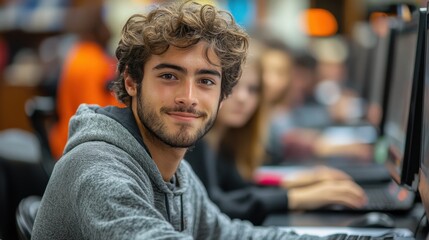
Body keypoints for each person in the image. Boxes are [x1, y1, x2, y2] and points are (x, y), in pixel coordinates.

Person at [32, 1, 326, 239]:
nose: (189, 97)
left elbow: (229, 233)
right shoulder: (98, 169)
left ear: (223, 93)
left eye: (206, 81)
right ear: (132, 82)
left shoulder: (177, 171)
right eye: (169, 76)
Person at [185, 39, 367, 225]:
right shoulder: (195, 139)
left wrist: (297, 183)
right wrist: (297, 197)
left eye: (253, 90)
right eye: (232, 87)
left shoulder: (226, 139)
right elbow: (214, 205)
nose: (242, 98)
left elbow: (240, 187)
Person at [48, 3, 121, 160]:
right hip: (81, 146)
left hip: (68, 138)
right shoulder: (93, 63)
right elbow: (94, 114)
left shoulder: (78, 54)